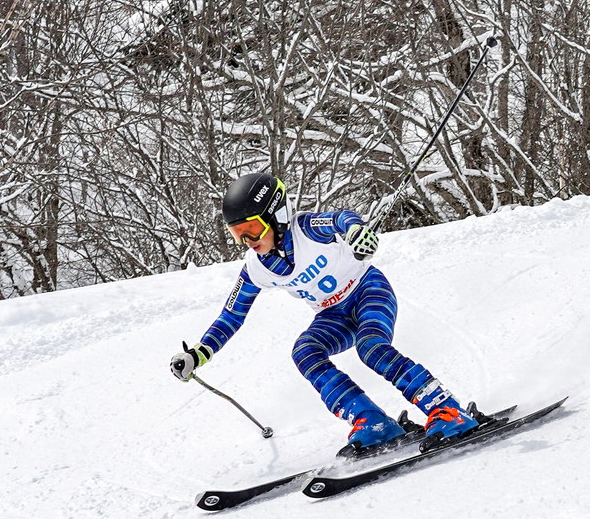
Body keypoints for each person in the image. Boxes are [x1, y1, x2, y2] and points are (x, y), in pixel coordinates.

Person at [169, 172, 479, 452]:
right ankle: (371, 421)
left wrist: (357, 232)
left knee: (371, 348)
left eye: (252, 229)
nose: (248, 242)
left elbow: (340, 219)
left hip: (367, 291)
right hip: (333, 315)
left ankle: (447, 410)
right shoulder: (257, 268)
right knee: (305, 352)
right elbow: (232, 315)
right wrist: (198, 354)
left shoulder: (306, 229)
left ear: (276, 217)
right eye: (238, 234)